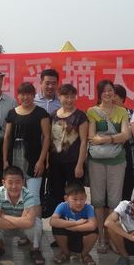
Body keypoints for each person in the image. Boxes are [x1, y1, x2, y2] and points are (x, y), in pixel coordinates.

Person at [86, 79, 130, 253]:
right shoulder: (92, 111)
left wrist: (105, 139)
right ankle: (101, 239)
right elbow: (91, 137)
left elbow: (126, 135)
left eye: (110, 90)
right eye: (104, 91)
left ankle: (112, 237)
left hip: (117, 161)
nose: (108, 93)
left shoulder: (122, 111)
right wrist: (115, 139)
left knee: (114, 201)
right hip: (96, 161)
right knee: (98, 201)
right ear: (99, 93)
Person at [0, 165, 45, 265]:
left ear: (23, 181)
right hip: (12, 226)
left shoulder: (28, 195)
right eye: (10, 182)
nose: (14, 186)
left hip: (17, 227)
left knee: (36, 224)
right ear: (4, 183)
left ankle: (35, 249)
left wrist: (4, 216)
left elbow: (30, 222)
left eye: (18, 182)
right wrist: (22, 221)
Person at [3, 82, 50, 200]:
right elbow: (7, 137)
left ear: (34, 95)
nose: (25, 97)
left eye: (29, 94)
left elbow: (47, 137)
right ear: (18, 96)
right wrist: (5, 160)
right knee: (15, 195)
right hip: (14, 158)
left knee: (33, 196)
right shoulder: (12, 113)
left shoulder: (41, 113)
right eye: (22, 94)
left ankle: (35, 214)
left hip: (34, 159)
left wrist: (41, 161)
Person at [46, 83, 88, 215]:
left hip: (73, 162)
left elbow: (84, 142)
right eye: (66, 96)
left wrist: (80, 164)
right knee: (56, 194)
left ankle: (76, 221)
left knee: (75, 195)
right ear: (59, 96)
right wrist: (46, 161)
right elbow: (48, 140)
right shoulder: (53, 115)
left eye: (72, 97)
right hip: (55, 163)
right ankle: (59, 221)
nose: (69, 100)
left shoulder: (80, 116)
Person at [49, 183, 98, 265]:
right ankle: (65, 252)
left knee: (94, 230)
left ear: (86, 197)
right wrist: (76, 223)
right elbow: (52, 221)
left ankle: (85, 255)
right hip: (66, 239)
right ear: (66, 198)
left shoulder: (88, 208)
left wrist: (72, 228)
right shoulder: (62, 206)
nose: (79, 202)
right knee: (57, 226)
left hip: (81, 240)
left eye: (81, 199)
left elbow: (92, 225)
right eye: (75, 199)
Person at [114, 84, 134, 202]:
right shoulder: (101, 115)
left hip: (128, 161)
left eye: (114, 95)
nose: (110, 98)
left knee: (125, 198)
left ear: (122, 98)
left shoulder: (132, 114)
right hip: (109, 161)